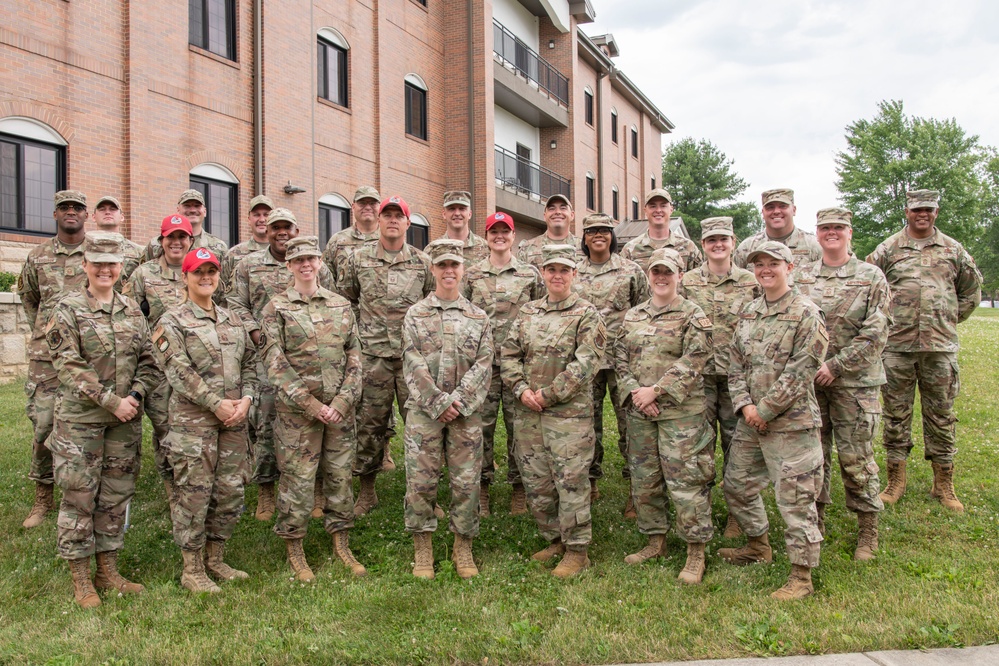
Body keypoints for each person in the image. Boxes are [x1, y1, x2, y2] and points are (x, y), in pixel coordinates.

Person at [44, 231, 158, 608]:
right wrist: (112, 401)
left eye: (111, 263)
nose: (105, 269)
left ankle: (107, 571)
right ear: (85, 266)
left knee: (114, 496)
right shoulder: (68, 309)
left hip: (123, 422)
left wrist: (135, 397)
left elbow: (148, 360)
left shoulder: (130, 310)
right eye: (98, 263)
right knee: (79, 495)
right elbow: (69, 365)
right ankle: (80, 578)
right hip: (82, 422)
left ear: (121, 267)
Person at [720, 241, 828, 600]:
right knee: (736, 485)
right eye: (760, 264)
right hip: (751, 421)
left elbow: (801, 372)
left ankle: (801, 576)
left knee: (795, 500)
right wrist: (745, 406)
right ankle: (757, 545)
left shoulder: (807, 313)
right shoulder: (749, 312)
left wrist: (764, 411)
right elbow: (735, 364)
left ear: (790, 267)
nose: (766, 269)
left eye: (773, 264)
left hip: (792, 424)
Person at [259, 237, 367, 581]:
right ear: (288, 265)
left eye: (311, 258)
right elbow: (274, 363)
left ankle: (341, 542)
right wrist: (311, 405)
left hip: (339, 412)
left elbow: (355, 357)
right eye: (298, 259)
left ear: (320, 262)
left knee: (339, 477)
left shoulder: (340, 305)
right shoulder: (276, 308)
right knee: (299, 481)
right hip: (298, 415)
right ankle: (295, 547)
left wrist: (341, 402)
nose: (305, 264)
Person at [866, 189, 982, 511]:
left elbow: (971, 291)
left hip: (939, 349)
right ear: (907, 211)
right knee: (895, 415)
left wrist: (947, 319)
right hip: (897, 349)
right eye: (917, 209)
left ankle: (943, 484)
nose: (923, 214)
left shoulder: (953, 250)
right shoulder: (888, 249)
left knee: (942, 416)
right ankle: (895, 480)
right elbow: (869, 287)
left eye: (928, 209)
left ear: (936, 211)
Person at [153, 248, 257, 593]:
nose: (206, 277)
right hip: (193, 423)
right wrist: (215, 403)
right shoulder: (171, 321)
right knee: (194, 494)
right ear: (185, 276)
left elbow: (252, 365)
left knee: (230, 491)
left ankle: (216, 557)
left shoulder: (233, 320)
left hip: (233, 422)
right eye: (198, 271)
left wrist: (247, 399)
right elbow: (178, 370)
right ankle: (192, 568)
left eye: (211, 271)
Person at [501, 244, 606, 578]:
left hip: (568, 417)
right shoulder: (528, 312)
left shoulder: (587, 313)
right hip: (529, 414)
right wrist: (521, 390)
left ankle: (577, 550)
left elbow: (587, 362)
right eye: (551, 270)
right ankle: (554, 539)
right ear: (543, 273)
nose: (557, 276)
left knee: (571, 481)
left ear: (574, 274)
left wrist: (547, 394)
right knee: (537, 482)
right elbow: (508, 355)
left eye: (564, 270)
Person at [228, 207, 336, 521]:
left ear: (295, 228)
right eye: (276, 228)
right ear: (269, 231)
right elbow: (236, 304)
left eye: (287, 227)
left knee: (312, 419)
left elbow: (328, 300)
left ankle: (316, 490)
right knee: (265, 424)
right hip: (266, 358)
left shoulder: (315, 264)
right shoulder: (249, 264)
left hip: (308, 357)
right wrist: (256, 331)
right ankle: (266, 492)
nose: (281, 232)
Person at [794, 208, 889, 560]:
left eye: (838, 228)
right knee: (813, 455)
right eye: (825, 228)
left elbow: (876, 332)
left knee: (856, 456)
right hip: (811, 384)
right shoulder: (802, 276)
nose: (831, 233)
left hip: (855, 384)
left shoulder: (871, 276)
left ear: (849, 232)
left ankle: (867, 527)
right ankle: (816, 518)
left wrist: (836, 365)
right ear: (817, 233)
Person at [614, 248, 713, 583]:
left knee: (686, 482)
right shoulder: (633, 316)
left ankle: (695, 552)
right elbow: (619, 358)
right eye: (655, 272)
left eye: (667, 272)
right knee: (644, 480)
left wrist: (655, 391)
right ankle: (655, 540)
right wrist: (636, 394)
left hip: (680, 414)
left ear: (680, 276)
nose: (661, 278)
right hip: (641, 411)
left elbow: (696, 359)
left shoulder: (692, 314)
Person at [402, 239, 493, 579]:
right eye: (442, 265)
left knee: (466, 483)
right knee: (421, 481)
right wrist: (439, 402)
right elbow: (411, 361)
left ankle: (462, 545)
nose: (449, 270)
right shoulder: (416, 314)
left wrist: (458, 401)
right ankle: (423, 547)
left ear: (463, 269)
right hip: (425, 412)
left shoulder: (478, 316)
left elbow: (484, 364)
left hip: (465, 413)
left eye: (454, 264)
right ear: (433, 270)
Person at [339, 195, 434, 517]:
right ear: (378, 220)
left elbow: (430, 307)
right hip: (373, 357)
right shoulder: (357, 258)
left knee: (421, 427)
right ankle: (366, 492)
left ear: (409, 223)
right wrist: (357, 340)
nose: (392, 220)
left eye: (399, 215)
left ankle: (423, 494)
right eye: (387, 215)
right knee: (369, 426)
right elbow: (346, 301)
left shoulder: (422, 262)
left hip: (412, 360)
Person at [460, 212, 545, 516]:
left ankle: (519, 488)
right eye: (493, 231)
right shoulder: (471, 275)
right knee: (480, 427)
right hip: (481, 366)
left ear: (513, 236)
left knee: (519, 428)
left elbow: (540, 312)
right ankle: (481, 488)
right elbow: (463, 315)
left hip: (518, 366)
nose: (499, 236)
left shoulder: (529, 274)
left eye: (504, 231)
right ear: (486, 236)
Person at [680, 216, 758, 537]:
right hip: (698, 379)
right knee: (700, 446)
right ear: (703, 244)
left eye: (723, 239)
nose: (718, 245)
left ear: (733, 241)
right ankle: (703, 510)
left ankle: (738, 515)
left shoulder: (751, 282)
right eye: (711, 240)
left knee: (736, 445)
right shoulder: (686, 282)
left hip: (736, 379)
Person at [17, 190, 90, 529]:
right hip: (46, 360)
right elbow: (29, 299)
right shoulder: (38, 256)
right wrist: (46, 332)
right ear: (55, 215)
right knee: (44, 425)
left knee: (84, 423)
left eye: (77, 208)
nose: (71, 213)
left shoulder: (96, 255)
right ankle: (43, 495)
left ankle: (82, 491)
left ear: (86, 215)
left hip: (86, 357)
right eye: (64, 209)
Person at [572, 213, 648, 510]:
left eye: (604, 230)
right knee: (586, 425)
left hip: (622, 362)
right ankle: (589, 482)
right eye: (592, 231)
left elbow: (643, 312)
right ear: (585, 236)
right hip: (585, 362)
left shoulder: (631, 270)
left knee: (631, 424)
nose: (598, 235)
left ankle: (635, 488)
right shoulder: (574, 271)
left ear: (612, 235)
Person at [123, 214, 195, 500]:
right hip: (159, 365)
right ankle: (172, 482)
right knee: (164, 424)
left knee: (191, 422)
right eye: (170, 237)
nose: (176, 242)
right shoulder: (144, 274)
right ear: (161, 240)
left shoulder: (201, 270)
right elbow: (128, 314)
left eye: (182, 237)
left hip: (195, 362)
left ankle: (193, 476)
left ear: (191, 240)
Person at [733, 189, 822, 270]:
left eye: (783, 206)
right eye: (770, 207)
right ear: (763, 213)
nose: (776, 211)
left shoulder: (813, 246)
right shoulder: (746, 248)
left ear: (794, 210)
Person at [621, 189, 702, 273]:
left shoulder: (688, 247)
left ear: (671, 209)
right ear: (645, 210)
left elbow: (699, 280)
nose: (658, 210)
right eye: (653, 206)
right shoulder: (630, 249)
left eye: (663, 206)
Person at [142, 189, 228, 263]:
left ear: (204, 211)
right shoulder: (155, 244)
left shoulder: (219, 247)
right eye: (187, 206)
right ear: (178, 210)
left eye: (197, 206)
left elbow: (223, 279)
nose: (193, 210)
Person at [220, 194, 274, 291]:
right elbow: (220, 293)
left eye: (266, 214)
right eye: (256, 215)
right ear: (249, 219)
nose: (261, 219)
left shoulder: (285, 253)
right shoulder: (233, 254)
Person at [516, 194, 584, 269]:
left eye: (563, 208)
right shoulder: (527, 248)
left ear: (572, 215)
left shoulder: (584, 247)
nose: (557, 212)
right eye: (552, 208)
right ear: (545, 216)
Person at [91, 195, 144, 287]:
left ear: (122, 217)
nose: (107, 212)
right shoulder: (84, 248)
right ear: (93, 217)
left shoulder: (139, 252)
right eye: (102, 209)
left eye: (112, 209)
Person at [440, 190, 489, 264]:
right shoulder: (433, 249)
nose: (457, 213)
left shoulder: (487, 248)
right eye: (452, 209)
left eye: (462, 209)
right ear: (444, 214)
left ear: (469, 214)